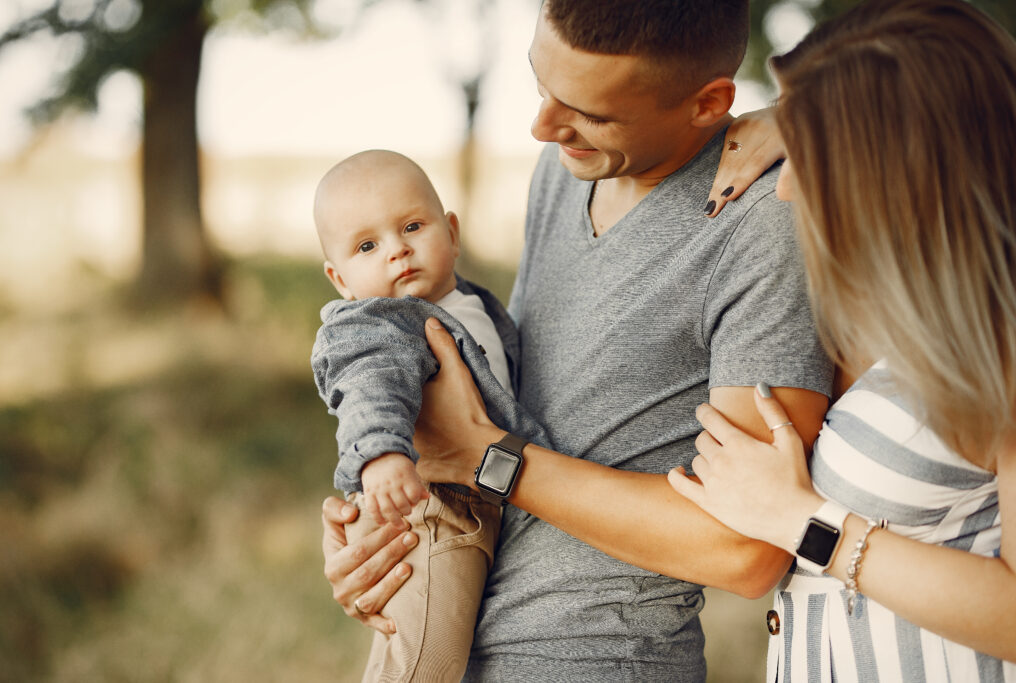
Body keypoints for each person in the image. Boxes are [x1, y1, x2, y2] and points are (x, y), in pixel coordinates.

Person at [321, 1, 835, 680]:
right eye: (541, 86)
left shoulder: (766, 226)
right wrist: (385, 515)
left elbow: (745, 548)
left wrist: (485, 455)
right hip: (456, 641)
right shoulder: (566, 168)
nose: (543, 127)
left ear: (708, 102)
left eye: (591, 113)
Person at [666, 0, 1016, 680]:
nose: (787, 189)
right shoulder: (880, 312)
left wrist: (803, 521)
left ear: (896, 172)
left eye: (814, 159)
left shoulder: (1001, 335)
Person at [311, 149, 551, 682]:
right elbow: (369, 386)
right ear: (340, 278)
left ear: (452, 232)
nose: (397, 250)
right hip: (430, 506)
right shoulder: (380, 325)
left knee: (410, 655)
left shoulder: (473, 305)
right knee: (426, 664)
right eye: (368, 245)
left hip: (464, 503)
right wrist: (381, 455)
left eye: (412, 227)